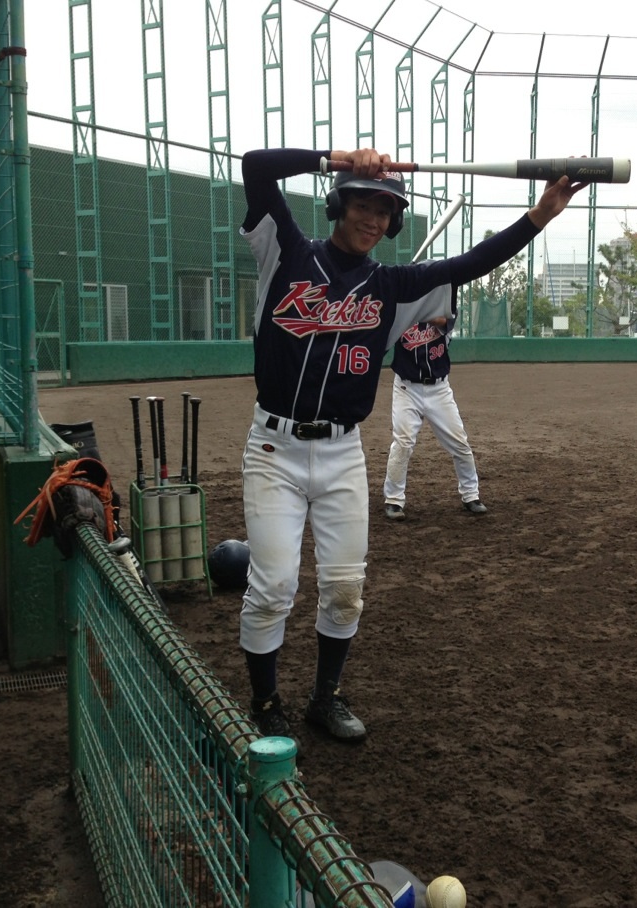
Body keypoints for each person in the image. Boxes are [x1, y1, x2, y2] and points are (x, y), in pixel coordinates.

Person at [236, 146, 586, 742]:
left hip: (344, 453)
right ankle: (266, 703)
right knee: (273, 586)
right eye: (363, 205)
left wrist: (540, 216)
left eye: (385, 211)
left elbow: (475, 262)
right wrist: (334, 156)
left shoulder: (395, 287)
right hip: (275, 451)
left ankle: (326, 697)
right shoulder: (286, 252)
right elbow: (254, 166)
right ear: (338, 205)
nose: (373, 219)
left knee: (346, 588)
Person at [382, 302, 487, 521]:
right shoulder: (400, 310)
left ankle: (471, 495)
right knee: (402, 443)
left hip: (439, 390)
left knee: (460, 443)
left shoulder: (445, 308)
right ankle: (393, 499)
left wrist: (418, 308)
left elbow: (442, 322)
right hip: (406, 388)